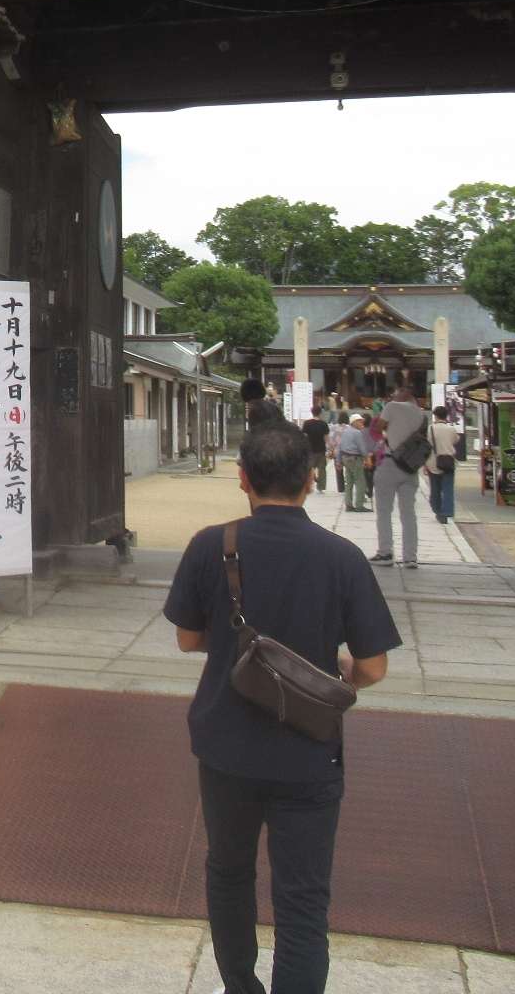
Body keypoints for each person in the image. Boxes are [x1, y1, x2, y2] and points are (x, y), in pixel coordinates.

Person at [165, 426, 400, 994]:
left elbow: (188, 641)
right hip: (308, 750)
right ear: (312, 478)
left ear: (242, 478)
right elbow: (372, 667)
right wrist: (336, 674)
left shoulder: (210, 545)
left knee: (228, 872)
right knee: (302, 898)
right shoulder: (341, 557)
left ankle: (240, 986)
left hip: (226, 745)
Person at [370, 386, 427, 568]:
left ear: (401, 394)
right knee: (409, 514)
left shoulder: (392, 406)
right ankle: (410, 557)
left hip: (390, 462)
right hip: (410, 465)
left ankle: (385, 552)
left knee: (384, 511)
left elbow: (378, 427)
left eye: (395, 393)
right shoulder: (419, 412)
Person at [425, 405, 460, 524]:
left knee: (435, 488)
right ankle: (447, 512)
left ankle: (437, 510)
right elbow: (455, 440)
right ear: (446, 416)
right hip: (448, 461)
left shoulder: (430, 429)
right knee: (448, 488)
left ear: (435, 415)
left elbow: (426, 446)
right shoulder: (451, 429)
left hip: (433, 462)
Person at [336, 412, 373, 511]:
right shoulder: (357, 433)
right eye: (360, 421)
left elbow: (339, 447)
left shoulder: (345, 432)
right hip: (355, 459)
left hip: (345, 458)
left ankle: (348, 504)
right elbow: (362, 448)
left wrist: (338, 461)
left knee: (349, 482)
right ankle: (359, 505)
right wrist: (368, 459)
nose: (362, 423)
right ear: (354, 422)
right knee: (360, 481)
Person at [300, 407, 330, 490]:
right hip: (321, 449)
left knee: (309, 468)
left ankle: (309, 484)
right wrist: (330, 448)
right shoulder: (323, 424)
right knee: (322, 469)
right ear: (320, 413)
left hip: (310, 450)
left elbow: (304, 436)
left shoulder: (307, 423)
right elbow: (326, 438)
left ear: (311, 412)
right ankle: (321, 486)